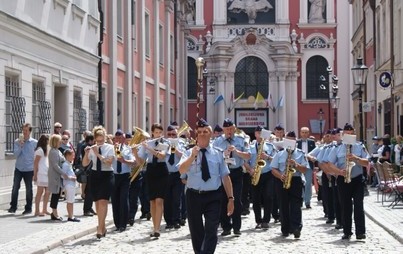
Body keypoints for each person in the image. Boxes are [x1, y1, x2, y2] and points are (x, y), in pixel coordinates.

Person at [178, 118, 234, 254]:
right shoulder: (188, 152)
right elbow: (181, 170)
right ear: (196, 135)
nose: (202, 134)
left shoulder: (218, 153)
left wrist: (231, 198)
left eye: (205, 131)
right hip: (193, 195)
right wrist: (192, 157)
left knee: (211, 229)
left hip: (213, 196)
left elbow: (225, 177)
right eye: (200, 132)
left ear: (210, 134)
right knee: (196, 231)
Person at [325, 123, 369, 240]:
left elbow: (367, 162)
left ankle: (360, 232)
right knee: (345, 206)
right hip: (343, 179)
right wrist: (339, 171)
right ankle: (347, 231)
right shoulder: (337, 148)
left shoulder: (360, 146)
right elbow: (329, 164)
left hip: (357, 179)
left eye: (351, 133)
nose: (349, 135)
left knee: (359, 205)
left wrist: (357, 158)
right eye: (347, 133)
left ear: (354, 134)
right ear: (343, 134)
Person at [213, 118, 251, 236]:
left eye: (231, 129)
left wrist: (237, 151)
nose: (229, 131)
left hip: (236, 172)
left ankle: (236, 227)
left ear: (234, 128)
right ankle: (226, 227)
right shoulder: (218, 141)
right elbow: (213, 156)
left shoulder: (241, 140)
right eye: (227, 129)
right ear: (223, 129)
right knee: (223, 199)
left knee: (236, 199)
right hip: (223, 173)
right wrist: (223, 153)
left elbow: (248, 155)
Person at [133, 123, 170, 239]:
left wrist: (149, 148)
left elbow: (162, 156)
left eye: (160, 132)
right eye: (156, 132)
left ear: (162, 133)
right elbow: (140, 162)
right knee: (152, 201)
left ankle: (157, 228)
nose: (158, 134)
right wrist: (135, 152)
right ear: (153, 133)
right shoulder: (147, 144)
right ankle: (154, 227)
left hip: (161, 170)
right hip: (150, 171)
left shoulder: (165, 143)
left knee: (159, 200)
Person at [271, 131, 309, 238]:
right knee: (283, 205)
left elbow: (305, 169)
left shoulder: (300, 154)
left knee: (296, 205)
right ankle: (285, 228)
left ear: (295, 141)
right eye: (288, 140)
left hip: (296, 179)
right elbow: (273, 168)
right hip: (282, 180)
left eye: (292, 140)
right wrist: (280, 176)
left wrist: (295, 164)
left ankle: (296, 227)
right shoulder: (279, 154)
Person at [82, 125, 115, 239]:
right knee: (97, 202)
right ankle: (102, 225)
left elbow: (109, 162)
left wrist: (98, 154)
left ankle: (100, 228)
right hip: (95, 175)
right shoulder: (92, 148)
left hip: (106, 175)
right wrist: (87, 153)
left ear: (105, 138)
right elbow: (85, 164)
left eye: (102, 139)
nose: (100, 142)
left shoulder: (110, 148)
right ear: (95, 138)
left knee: (103, 202)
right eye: (98, 140)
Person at [244, 125, 276, 229]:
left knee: (268, 197)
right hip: (254, 174)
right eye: (258, 133)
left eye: (262, 133)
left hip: (267, 174)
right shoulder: (250, 147)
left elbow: (276, 160)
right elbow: (245, 162)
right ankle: (258, 220)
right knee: (256, 199)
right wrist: (250, 170)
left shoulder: (270, 146)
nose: (260, 135)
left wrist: (267, 157)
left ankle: (266, 220)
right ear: (255, 134)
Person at [8, 123, 38, 214]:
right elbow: (15, 154)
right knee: (15, 187)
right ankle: (13, 206)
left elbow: (37, 156)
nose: (24, 132)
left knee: (29, 189)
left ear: (30, 131)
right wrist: (21, 146)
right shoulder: (17, 141)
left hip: (29, 169)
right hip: (19, 168)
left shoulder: (34, 143)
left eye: (26, 130)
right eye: (23, 130)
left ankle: (28, 208)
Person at [112, 130, 134, 232]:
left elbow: (133, 162)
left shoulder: (128, 149)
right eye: (116, 138)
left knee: (123, 199)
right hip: (114, 176)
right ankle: (117, 223)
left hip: (125, 176)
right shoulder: (111, 149)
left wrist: (124, 161)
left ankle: (123, 224)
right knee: (115, 200)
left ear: (123, 139)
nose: (118, 140)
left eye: (120, 138)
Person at [164, 125, 184, 229]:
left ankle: (176, 220)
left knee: (176, 199)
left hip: (177, 174)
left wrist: (176, 150)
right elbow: (159, 155)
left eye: (174, 134)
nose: (171, 136)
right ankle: (168, 221)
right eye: (170, 134)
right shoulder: (163, 143)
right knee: (167, 199)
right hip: (166, 174)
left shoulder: (181, 143)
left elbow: (185, 156)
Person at [48, 134, 67, 221]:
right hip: (55, 176)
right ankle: (54, 213)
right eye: (59, 141)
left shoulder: (57, 151)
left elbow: (62, 160)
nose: (61, 142)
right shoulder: (53, 152)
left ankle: (54, 212)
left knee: (57, 194)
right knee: (55, 195)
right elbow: (55, 165)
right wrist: (63, 173)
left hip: (58, 176)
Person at [297, 127, 316, 209]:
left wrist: (311, 158)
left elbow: (315, 153)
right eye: (303, 132)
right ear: (300, 133)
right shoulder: (297, 142)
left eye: (306, 132)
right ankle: (300, 200)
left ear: (308, 133)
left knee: (308, 184)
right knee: (299, 183)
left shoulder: (312, 142)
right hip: (299, 165)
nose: (304, 134)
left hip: (309, 165)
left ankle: (307, 201)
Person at [33, 134, 51, 216]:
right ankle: (37, 210)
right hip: (41, 174)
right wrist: (35, 175)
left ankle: (44, 209)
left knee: (47, 192)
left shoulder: (46, 150)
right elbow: (36, 163)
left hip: (46, 173)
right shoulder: (39, 150)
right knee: (39, 192)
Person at [62, 149, 80, 222]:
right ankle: (70, 216)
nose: (73, 157)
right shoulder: (65, 164)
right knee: (70, 200)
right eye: (72, 155)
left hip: (71, 184)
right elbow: (63, 175)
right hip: (69, 184)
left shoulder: (69, 164)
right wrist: (71, 178)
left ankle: (71, 215)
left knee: (71, 200)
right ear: (68, 156)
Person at [81, 133, 96, 216]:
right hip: (90, 170)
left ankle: (89, 207)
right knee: (89, 191)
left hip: (93, 170)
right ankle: (86, 209)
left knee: (91, 191)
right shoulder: (87, 147)